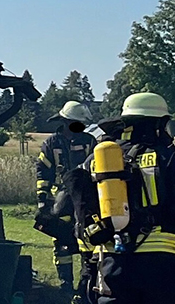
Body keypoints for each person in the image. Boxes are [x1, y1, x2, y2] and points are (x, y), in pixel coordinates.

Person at [67, 92, 175, 304]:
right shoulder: (168, 156)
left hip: (111, 259)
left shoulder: (99, 159)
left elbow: (80, 208)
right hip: (161, 261)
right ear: (160, 123)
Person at [36, 100, 96, 293]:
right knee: (62, 240)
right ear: (66, 121)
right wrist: (42, 201)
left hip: (86, 197)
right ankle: (66, 285)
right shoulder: (52, 143)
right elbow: (43, 173)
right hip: (61, 199)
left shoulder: (89, 141)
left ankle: (87, 283)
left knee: (89, 236)